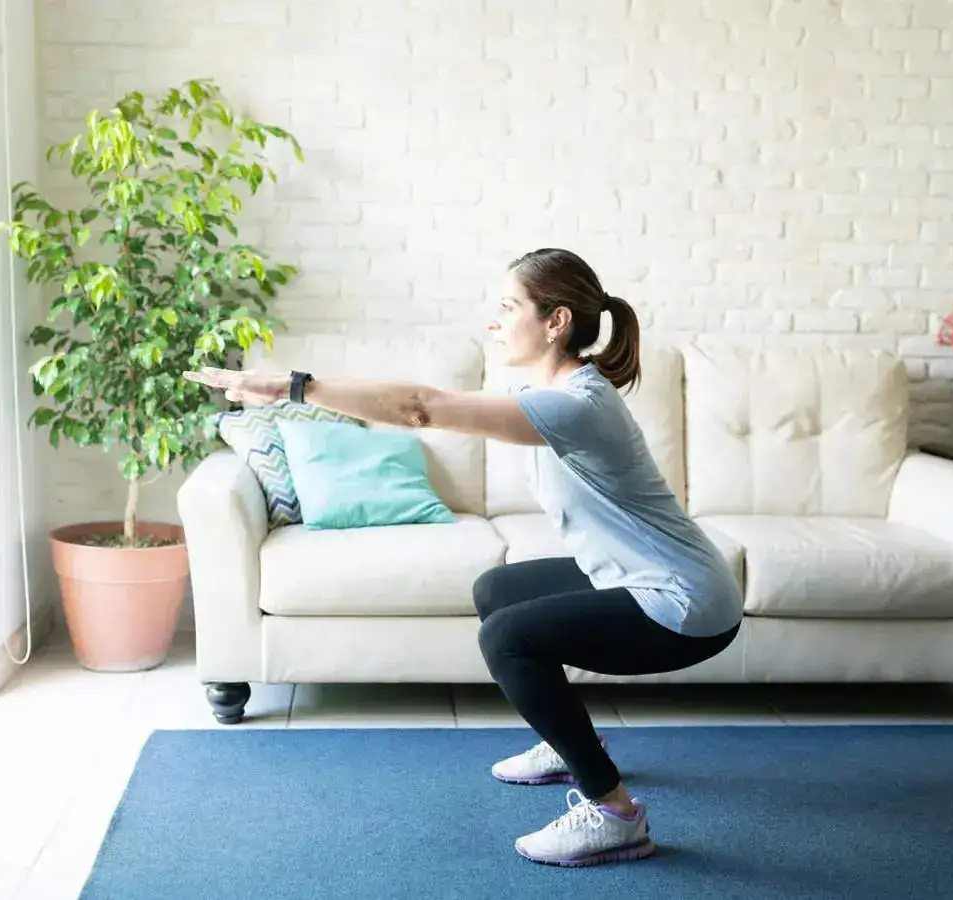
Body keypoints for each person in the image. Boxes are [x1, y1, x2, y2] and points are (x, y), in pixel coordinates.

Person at [186, 248, 744, 868]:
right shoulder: (546, 387)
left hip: (684, 600)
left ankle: (617, 814)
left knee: (508, 638)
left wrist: (296, 386)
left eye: (508, 307)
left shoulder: (576, 404)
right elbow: (418, 399)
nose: (494, 322)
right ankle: (570, 745)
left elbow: (419, 406)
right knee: (497, 592)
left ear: (555, 321)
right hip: (645, 579)